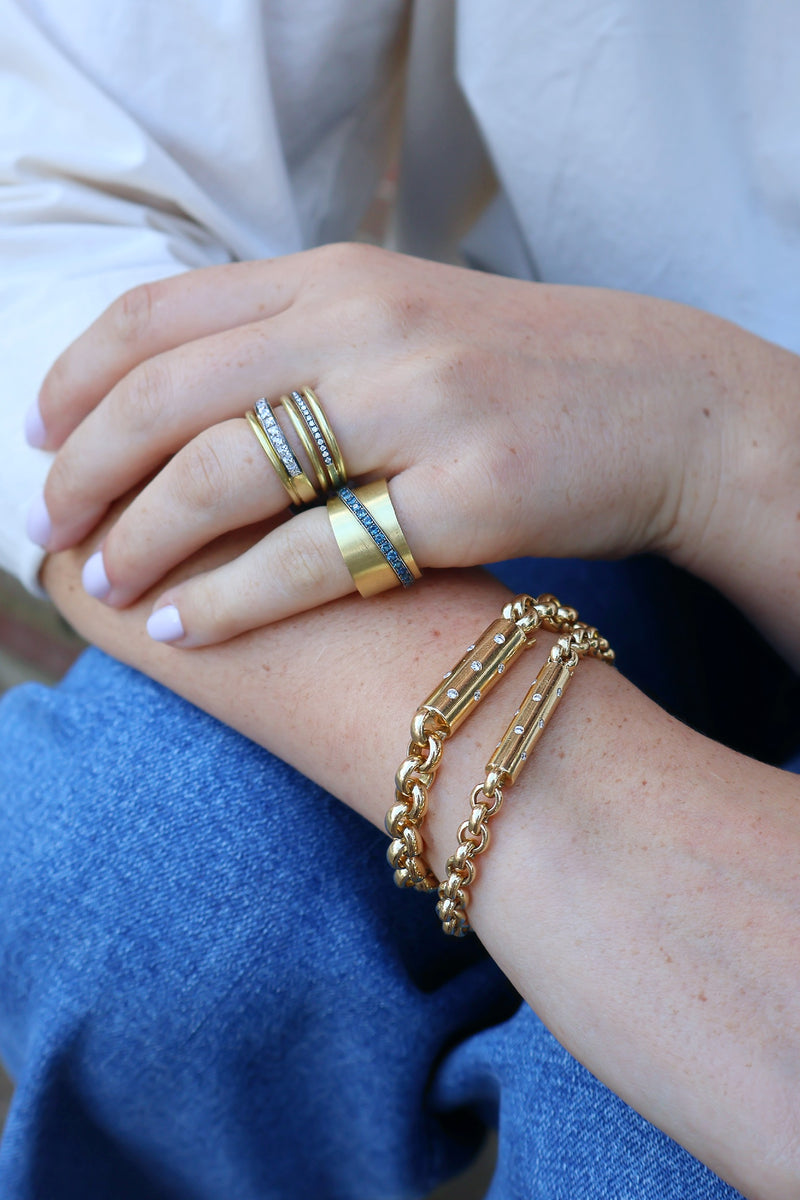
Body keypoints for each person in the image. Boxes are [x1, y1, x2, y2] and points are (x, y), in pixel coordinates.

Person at [1, 2, 798, 1197]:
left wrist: (743, 444)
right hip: (579, 412)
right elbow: (58, 175)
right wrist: (572, 812)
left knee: (633, 1155)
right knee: (132, 865)